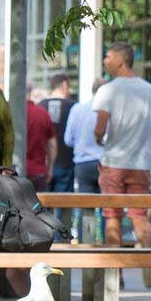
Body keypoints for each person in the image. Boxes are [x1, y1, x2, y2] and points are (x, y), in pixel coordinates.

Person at [92, 42, 151, 289]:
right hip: (140, 164)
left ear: (121, 61)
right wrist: (143, 139)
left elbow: (100, 129)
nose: (105, 61)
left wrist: (100, 139)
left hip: (113, 163)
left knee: (112, 216)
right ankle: (147, 260)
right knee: (139, 216)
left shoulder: (108, 91)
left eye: (108, 57)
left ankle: (116, 273)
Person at [64, 78, 107, 241]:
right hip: (104, 164)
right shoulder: (108, 112)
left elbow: (68, 139)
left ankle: (85, 246)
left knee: (85, 207)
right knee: (106, 209)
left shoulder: (77, 109)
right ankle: (104, 246)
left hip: (82, 165)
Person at [39, 74, 75, 192]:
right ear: (64, 85)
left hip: (43, 164)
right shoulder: (73, 107)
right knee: (64, 205)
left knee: (44, 206)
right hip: (67, 163)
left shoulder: (41, 106)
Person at [26, 85, 57, 192]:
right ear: (30, 92)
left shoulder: (8, 114)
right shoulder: (42, 114)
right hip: (38, 173)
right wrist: (50, 167)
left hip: (13, 174)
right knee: (38, 208)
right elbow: (52, 145)